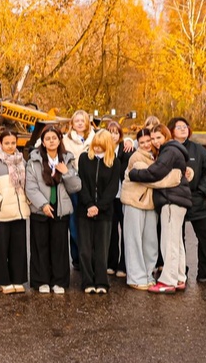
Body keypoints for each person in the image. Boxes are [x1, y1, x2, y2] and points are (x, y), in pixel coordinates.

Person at [127, 124, 193, 294]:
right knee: (176, 241)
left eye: (158, 138)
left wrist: (133, 175)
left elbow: (154, 174)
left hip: (171, 199)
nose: (155, 142)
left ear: (166, 136)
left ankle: (168, 280)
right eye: (153, 138)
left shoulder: (169, 151)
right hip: (177, 200)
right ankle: (179, 277)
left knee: (169, 241)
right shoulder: (173, 150)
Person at [169, 117, 206, 285]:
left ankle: (205, 272)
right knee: (177, 237)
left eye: (185, 126)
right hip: (175, 198)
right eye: (178, 127)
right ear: (171, 130)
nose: (183, 129)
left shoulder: (198, 150)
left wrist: (202, 191)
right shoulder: (168, 150)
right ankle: (181, 271)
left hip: (196, 198)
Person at [25, 125, 81, 294]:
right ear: (42, 141)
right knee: (40, 245)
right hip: (40, 208)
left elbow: (76, 186)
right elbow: (30, 186)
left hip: (61, 208)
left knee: (59, 246)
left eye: (54, 138)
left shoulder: (67, 159)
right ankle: (41, 280)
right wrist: (42, 204)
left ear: (59, 140)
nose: (51, 141)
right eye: (47, 138)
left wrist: (66, 173)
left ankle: (59, 281)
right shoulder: (34, 160)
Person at [0, 129, 31, 294]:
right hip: (0, 214)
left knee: (18, 248)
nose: (10, 146)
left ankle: (18, 279)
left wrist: (27, 202)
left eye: (13, 143)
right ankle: (4, 281)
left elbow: (27, 186)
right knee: (2, 248)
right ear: (0, 144)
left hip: (19, 212)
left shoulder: (22, 162)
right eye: (7, 143)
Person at [76, 129, 122, 294]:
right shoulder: (84, 158)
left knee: (102, 249)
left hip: (104, 212)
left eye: (100, 147)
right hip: (85, 210)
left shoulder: (114, 162)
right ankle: (87, 281)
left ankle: (102, 282)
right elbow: (81, 183)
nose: (96, 149)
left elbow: (112, 188)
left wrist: (99, 207)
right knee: (85, 249)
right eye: (95, 145)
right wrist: (89, 205)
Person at [63, 110, 94, 270]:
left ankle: (90, 257)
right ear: (72, 124)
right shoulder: (65, 140)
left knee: (89, 223)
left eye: (83, 120)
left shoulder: (95, 138)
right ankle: (77, 258)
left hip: (91, 185)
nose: (80, 123)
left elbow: (115, 142)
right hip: (74, 185)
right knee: (74, 223)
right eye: (77, 121)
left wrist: (129, 139)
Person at [105, 120, 130, 280]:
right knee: (111, 231)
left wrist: (129, 140)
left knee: (126, 231)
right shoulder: (103, 149)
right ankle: (111, 262)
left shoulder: (126, 149)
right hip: (109, 197)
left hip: (124, 196)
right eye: (110, 131)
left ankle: (124, 264)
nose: (113, 135)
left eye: (116, 132)